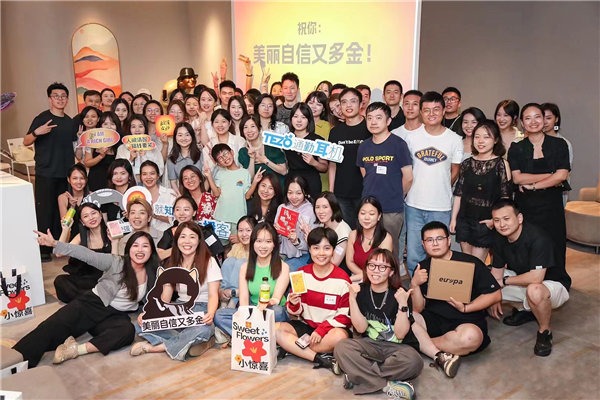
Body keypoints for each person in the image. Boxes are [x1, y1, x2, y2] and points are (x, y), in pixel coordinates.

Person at [14, 231, 159, 367]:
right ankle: (16, 359)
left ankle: (75, 350)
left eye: (145, 246)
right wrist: (55, 244)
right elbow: (87, 255)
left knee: (126, 331)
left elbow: (154, 298)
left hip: (117, 314)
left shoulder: (152, 272)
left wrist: (146, 312)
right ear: (129, 249)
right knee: (54, 325)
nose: (140, 250)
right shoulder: (117, 262)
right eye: (135, 245)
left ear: (151, 250)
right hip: (95, 303)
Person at [333, 249, 424, 398]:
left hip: (398, 348)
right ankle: (387, 386)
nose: (376, 270)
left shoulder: (401, 293)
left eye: (382, 267)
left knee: (415, 362)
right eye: (372, 265)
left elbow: (400, 334)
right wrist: (352, 298)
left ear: (391, 272)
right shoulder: (360, 291)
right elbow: (360, 328)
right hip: (370, 344)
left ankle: (357, 374)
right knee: (342, 348)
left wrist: (402, 304)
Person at [489, 199, 571, 356]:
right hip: (522, 280)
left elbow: (536, 278)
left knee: (534, 291)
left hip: (551, 285)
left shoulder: (538, 238)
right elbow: (496, 273)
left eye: (506, 219)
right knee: (484, 281)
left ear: (519, 218)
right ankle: (527, 310)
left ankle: (545, 331)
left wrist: (504, 282)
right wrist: (493, 297)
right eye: (497, 220)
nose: (502, 225)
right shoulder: (499, 237)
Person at [131, 222, 221, 361]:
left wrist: (210, 313)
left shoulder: (209, 261)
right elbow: (166, 297)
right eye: (182, 237)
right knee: (141, 324)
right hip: (179, 308)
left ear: (199, 240)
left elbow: (213, 294)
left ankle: (156, 347)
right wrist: (152, 313)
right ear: (177, 240)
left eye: (192, 237)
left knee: (204, 329)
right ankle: (191, 342)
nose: (187, 241)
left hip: (202, 308)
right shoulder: (172, 262)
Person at [409, 221, 501, 355]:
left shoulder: (470, 262)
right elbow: (417, 309)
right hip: (432, 318)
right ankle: (440, 346)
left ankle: (419, 344)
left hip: (466, 320)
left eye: (439, 238)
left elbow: (495, 294)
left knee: (470, 338)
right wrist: (414, 284)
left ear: (448, 241)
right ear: (423, 244)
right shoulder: (421, 268)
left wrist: (466, 308)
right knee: (403, 318)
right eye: (429, 240)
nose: (435, 244)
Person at [401, 91, 463, 275]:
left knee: (440, 253)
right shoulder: (411, 138)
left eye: (436, 109)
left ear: (443, 111)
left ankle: (437, 289)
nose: (431, 114)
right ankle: (416, 288)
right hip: (413, 205)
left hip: (441, 206)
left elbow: (455, 170)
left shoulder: (454, 139)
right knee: (414, 254)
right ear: (421, 112)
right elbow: (407, 170)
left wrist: (439, 186)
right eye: (427, 110)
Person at [507, 103, 570, 283]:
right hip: (526, 206)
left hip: (552, 205)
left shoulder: (559, 144)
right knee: (527, 242)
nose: (533, 121)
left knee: (554, 241)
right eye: (528, 118)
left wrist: (533, 185)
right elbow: (517, 178)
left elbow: (562, 175)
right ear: (522, 123)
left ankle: (556, 282)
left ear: (544, 120)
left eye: (537, 117)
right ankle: (527, 281)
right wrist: (551, 175)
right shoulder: (517, 147)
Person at [275, 227, 351, 372]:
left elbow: (344, 317)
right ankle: (319, 358)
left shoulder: (342, 279)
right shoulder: (301, 273)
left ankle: (293, 348)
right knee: (274, 330)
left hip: (329, 330)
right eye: (316, 248)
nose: (321, 253)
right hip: (306, 326)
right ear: (309, 249)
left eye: (327, 248)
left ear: (333, 251)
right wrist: (294, 304)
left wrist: (322, 330)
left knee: (340, 337)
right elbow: (294, 312)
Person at [23, 82, 76, 262]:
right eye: (56, 96)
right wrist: (37, 132)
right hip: (46, 172)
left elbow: (75, 147)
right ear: (50, 99)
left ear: (67, 99)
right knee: (44, 211)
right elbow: (26, 141)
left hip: (65, 173)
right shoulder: (42, 118)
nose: (60, 99)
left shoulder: (70, 122)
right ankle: (43, 249)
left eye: (63, 96)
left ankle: (58, 245)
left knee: (63, 212)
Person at [214, 222, 290, 339]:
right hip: (252, 311)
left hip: (271, 310)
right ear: (253, 242)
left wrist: (265, 305)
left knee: (277, 311)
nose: (263, 246)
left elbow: (276, 299)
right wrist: (248, 314)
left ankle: (247, 335)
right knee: (220, 315)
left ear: (274, 244)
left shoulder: (283, 267)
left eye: (268, 241)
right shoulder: (245, 267)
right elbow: (244, 300)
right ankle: (259, 336)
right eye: (259, 241)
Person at [357, 102, 413, 263]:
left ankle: (393, 278)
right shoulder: (364, 146)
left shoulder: (399, 144)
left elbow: (408, 177)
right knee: (369, 249)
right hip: (368, 208)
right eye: (369, 118)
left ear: (388, 121)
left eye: (378, 118)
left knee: (389, 252)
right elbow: (365, 174)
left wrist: (397, 194)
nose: (373, 122)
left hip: (391, 208)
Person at [450, 120, 512, 262]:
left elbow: (506, 198)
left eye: (486, 137)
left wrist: (494, 220)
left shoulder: (501, 164)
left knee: (477, 263)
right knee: (466, 262)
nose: (480, 141)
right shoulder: (466, 163)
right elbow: (459, 193)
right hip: (464, 219)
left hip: (486, 220)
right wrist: (453, 219)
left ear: (495, 140)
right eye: (477, 137)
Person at [328, 88, 371, 228]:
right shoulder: (335, 132)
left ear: (361, 104)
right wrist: (331, 191)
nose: (348, 105)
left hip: (364, 191)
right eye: (344, 102)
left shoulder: (370, 129)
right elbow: (332, 164)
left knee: (365, 230)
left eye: (353, 101)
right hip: (341, 193)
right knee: (346, 231)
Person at [54, 202, 111, 303]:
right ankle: (92, 300)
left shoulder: (111, 232)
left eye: (93, 213)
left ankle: (87, 300)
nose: (91, 218)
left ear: (100, 214)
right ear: (82, 222)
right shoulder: (81, 237)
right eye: (86, 216)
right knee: (60, 281)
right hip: (86, 280)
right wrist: (65, 229)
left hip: (106, 279)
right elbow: (59, 253)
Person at [205, 143, 253, 236]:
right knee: (221, 244)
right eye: (220, 158)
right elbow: (216, 194)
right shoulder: (220, 173)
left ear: (232, 152)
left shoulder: (245, 173)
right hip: (221, 218)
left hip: (238, 218)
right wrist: (209, 176)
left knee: (238, 243)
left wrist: (255, 182)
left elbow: (247, 196)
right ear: (218, 163)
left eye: (225, 154)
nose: (224, 158)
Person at [285, 102, 329, 200]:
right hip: (292, 181)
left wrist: (314, 162)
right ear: (291, 119)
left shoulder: (318, 140)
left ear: (309, 120)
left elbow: (325, 167)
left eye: (303, 117)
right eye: (295, 116)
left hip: (311, 181)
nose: (299, 120)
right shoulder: (286, 139)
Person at [346, 197, 393, 282]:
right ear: (358, 215)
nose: (366, 218)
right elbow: (350, 262)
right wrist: (363, 276)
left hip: (378, 280)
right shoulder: (353, 234)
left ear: (379, 216)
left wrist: (359, 278)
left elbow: (383, 269)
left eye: (371, 214)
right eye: (363, 213)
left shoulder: (386, 238)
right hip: (357, 277)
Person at [276, 176, 317, 272]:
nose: (293, 197)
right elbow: (276, 240)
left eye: (298, 193)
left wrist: (296, 241)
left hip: (303, 256)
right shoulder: (282, 207)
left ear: (305, 193)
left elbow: (314, 244)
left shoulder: (311, 211)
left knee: (284, 273)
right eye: (290, 193)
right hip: (280, 254)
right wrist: (277, 233)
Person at [215, 216, 256, 312]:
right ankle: (224, 298)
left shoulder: (259, 248)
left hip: (249, 287)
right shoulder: (236, 247)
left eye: (248, 230)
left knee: (241, 263)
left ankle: (233, 301)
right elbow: (228, 270)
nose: (244, 234)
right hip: (229, 290)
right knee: (229, 261)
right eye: (240, 230)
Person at [238, 114, 287, 183]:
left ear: (259, 128)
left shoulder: (271, 145)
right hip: (257, 188)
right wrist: (252, 158)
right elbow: (249, 180)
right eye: (245, 127)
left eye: (253, 126)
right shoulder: (243, 152)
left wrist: (265, 160)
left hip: (277, 185)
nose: (249, 130)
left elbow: (284, 171)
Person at [541, 102, 573, 205]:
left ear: (556, 119)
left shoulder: (564, 143)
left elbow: (565, 173)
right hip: (535, 194)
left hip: (557, 192)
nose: (544, 122)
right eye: (542, 117)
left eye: (548, 118)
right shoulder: (533, 141)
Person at [116, 114, 164, 181]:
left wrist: (145, 157)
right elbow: (118, 171)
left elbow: (160, 169)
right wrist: (131, 159)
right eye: (133, 127)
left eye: (140, 126)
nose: (137, 130)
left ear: (145, 128)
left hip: (150, 183)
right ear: (129, 129)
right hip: (129, 183)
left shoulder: (152, 146)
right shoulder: (122, 148)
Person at [314, 192, 351, 274]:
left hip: (337, 272)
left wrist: (312, 244)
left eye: (325, 207)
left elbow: (334, 263)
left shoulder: (343, 232)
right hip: (321, 265)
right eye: (317, 207)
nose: (320, 211)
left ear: (333, 208)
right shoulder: (323, 223)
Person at [84, 112, 122, 192]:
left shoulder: (120, 144)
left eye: (112, 124)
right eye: (105, 124)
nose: (109, 127)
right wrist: (100, 156)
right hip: (95, 183)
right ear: (100, 126)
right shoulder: (92, 141)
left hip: (114, 185)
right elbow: (87, 163)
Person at [156, 196, 198, 261]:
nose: (181, 213)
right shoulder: (169, 232)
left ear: (194, 212)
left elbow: (212, 252)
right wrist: (180, 246)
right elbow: (159, 256)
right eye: (178, 209)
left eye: (186, 209)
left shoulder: (204, 231)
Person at [140, 160, 176, 233]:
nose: (148, 177)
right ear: (140, 177)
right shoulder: (137, 195)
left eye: (152, 173)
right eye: (144, 174)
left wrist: (155, 215)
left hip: (166, 235)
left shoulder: (170, 194)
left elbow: (176, 219)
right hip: (144, 235)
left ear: (158, 176)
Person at [57, 163, 90, 242]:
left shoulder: (91, 196)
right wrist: (72, 207)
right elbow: (66, 225)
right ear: (69, 180)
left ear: (86, 180)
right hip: (71, 238)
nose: (79, 182)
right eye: (75, 178)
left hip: (89, 237)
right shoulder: (63, 198)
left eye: (82, 178)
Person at [167, 122, 203, 193]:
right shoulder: (171, 159)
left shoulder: (201, 153)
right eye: (180, 135)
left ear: (192, 136)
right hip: (183, 194)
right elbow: (173, 182)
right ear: (175, 137)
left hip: (202, 193)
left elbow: (207, 177)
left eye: (187, 135)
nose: (184, 138)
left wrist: (202, 195)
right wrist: (180, 196)